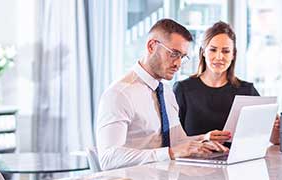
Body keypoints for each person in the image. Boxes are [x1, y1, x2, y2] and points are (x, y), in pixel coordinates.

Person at [96, 19, 231, 171]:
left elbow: (178, 141)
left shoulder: (166, 92)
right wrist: (171, 152)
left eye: (182, 57)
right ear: (152, 46)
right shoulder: (120, 94)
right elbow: (108, 158)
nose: (178, 64)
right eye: (174, 54)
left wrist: (203, 139)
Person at [172, 21, 280, 144]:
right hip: (193, 161)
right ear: (203, 52)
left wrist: (275, 126)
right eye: (213, 50)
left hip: (237, 161)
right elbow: (173, 141)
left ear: (233, 54)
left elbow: (274, 140)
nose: (219, 57)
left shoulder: (247, 91)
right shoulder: (183, 89)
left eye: (226, 51)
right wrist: (203, 138)